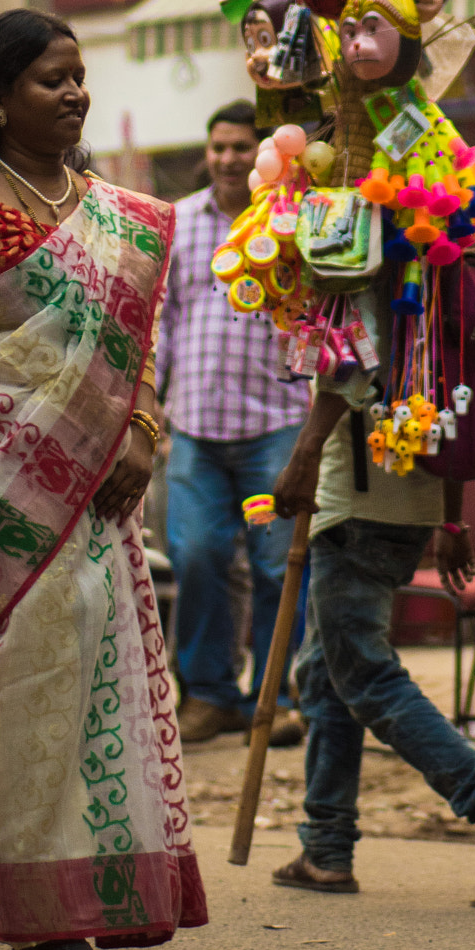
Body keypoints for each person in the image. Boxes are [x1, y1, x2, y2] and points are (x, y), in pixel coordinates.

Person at [0, 9, 207, 950]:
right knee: (12, 683)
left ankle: (13, 896)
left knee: (76, 688)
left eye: (78, 76)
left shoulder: (118, 215)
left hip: (92, 496)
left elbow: (132, 350)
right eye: (49, 79)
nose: (73, 93)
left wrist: (142, 430)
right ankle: (12, 900)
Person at [269, 0, 475, 906]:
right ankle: (326, 843)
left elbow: (354, 351)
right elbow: (425, 355)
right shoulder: (414, 175)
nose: (350, 44)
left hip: (359, 467)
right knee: (327, 666)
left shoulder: (372, 191)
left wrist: (306, 452)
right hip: (405, 465)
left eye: (368, 26)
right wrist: (448, 509)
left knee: (355, 662)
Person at [158, 99, 308, 746]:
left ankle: (272, 700)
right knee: (197, 555)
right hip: (192, 427)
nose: (226, 158)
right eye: (217, 146)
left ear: (265, 154)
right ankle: (210, 695)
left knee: (278, 565)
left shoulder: (291, 219)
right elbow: (159, 322)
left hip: (274, 425)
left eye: (239, 147)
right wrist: (149, 406)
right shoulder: (176, 223)